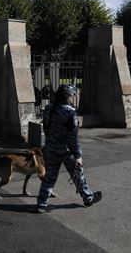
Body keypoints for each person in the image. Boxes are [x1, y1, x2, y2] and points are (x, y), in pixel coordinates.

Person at [36, 84, 102, 213]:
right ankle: (88, 198)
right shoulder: (69, 111)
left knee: (49, 177)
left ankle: (41, 204)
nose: (74, 97)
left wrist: (51, 144)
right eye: (73, 95)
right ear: (67, 95)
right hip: (66, 150)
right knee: (77, 174)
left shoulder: (48, 108)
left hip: (51, 147)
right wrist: (77, 156)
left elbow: (46, 129)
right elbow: (73, 136)